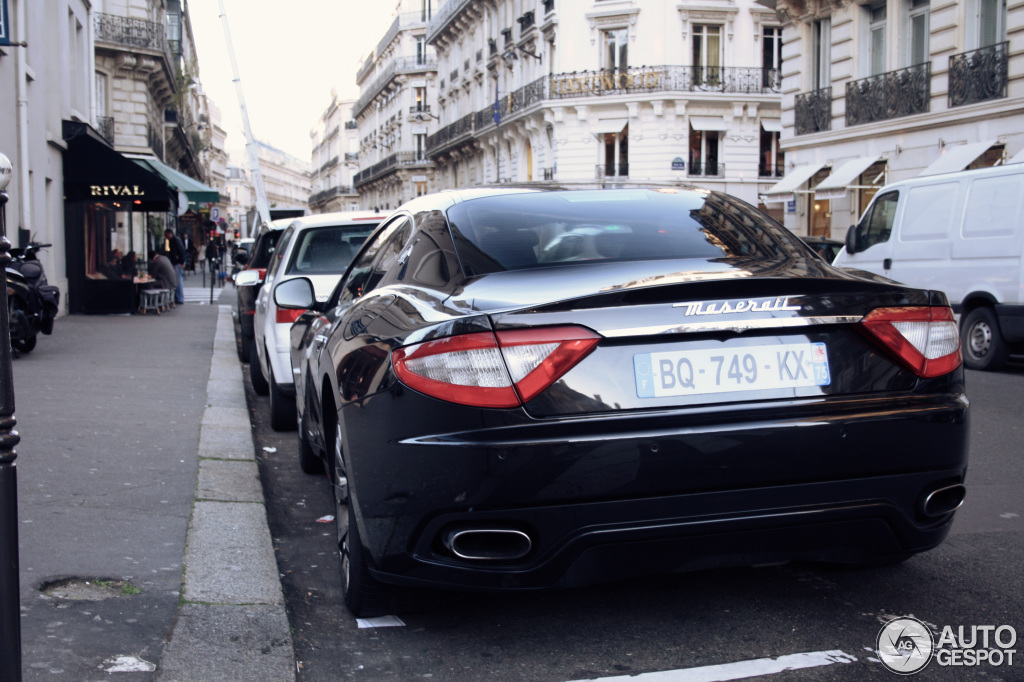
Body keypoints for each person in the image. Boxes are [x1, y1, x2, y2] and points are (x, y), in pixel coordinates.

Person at [162, 228, 187, 304]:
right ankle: (178, 297)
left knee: (178, 280)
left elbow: (181, 250)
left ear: (169, 234)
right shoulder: (172, 240)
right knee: (177, 280)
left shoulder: (175, 240)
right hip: (176, 262)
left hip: (178, 262)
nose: (166, 236)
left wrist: (182, 261)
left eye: (166, 235)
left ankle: (180, 298)